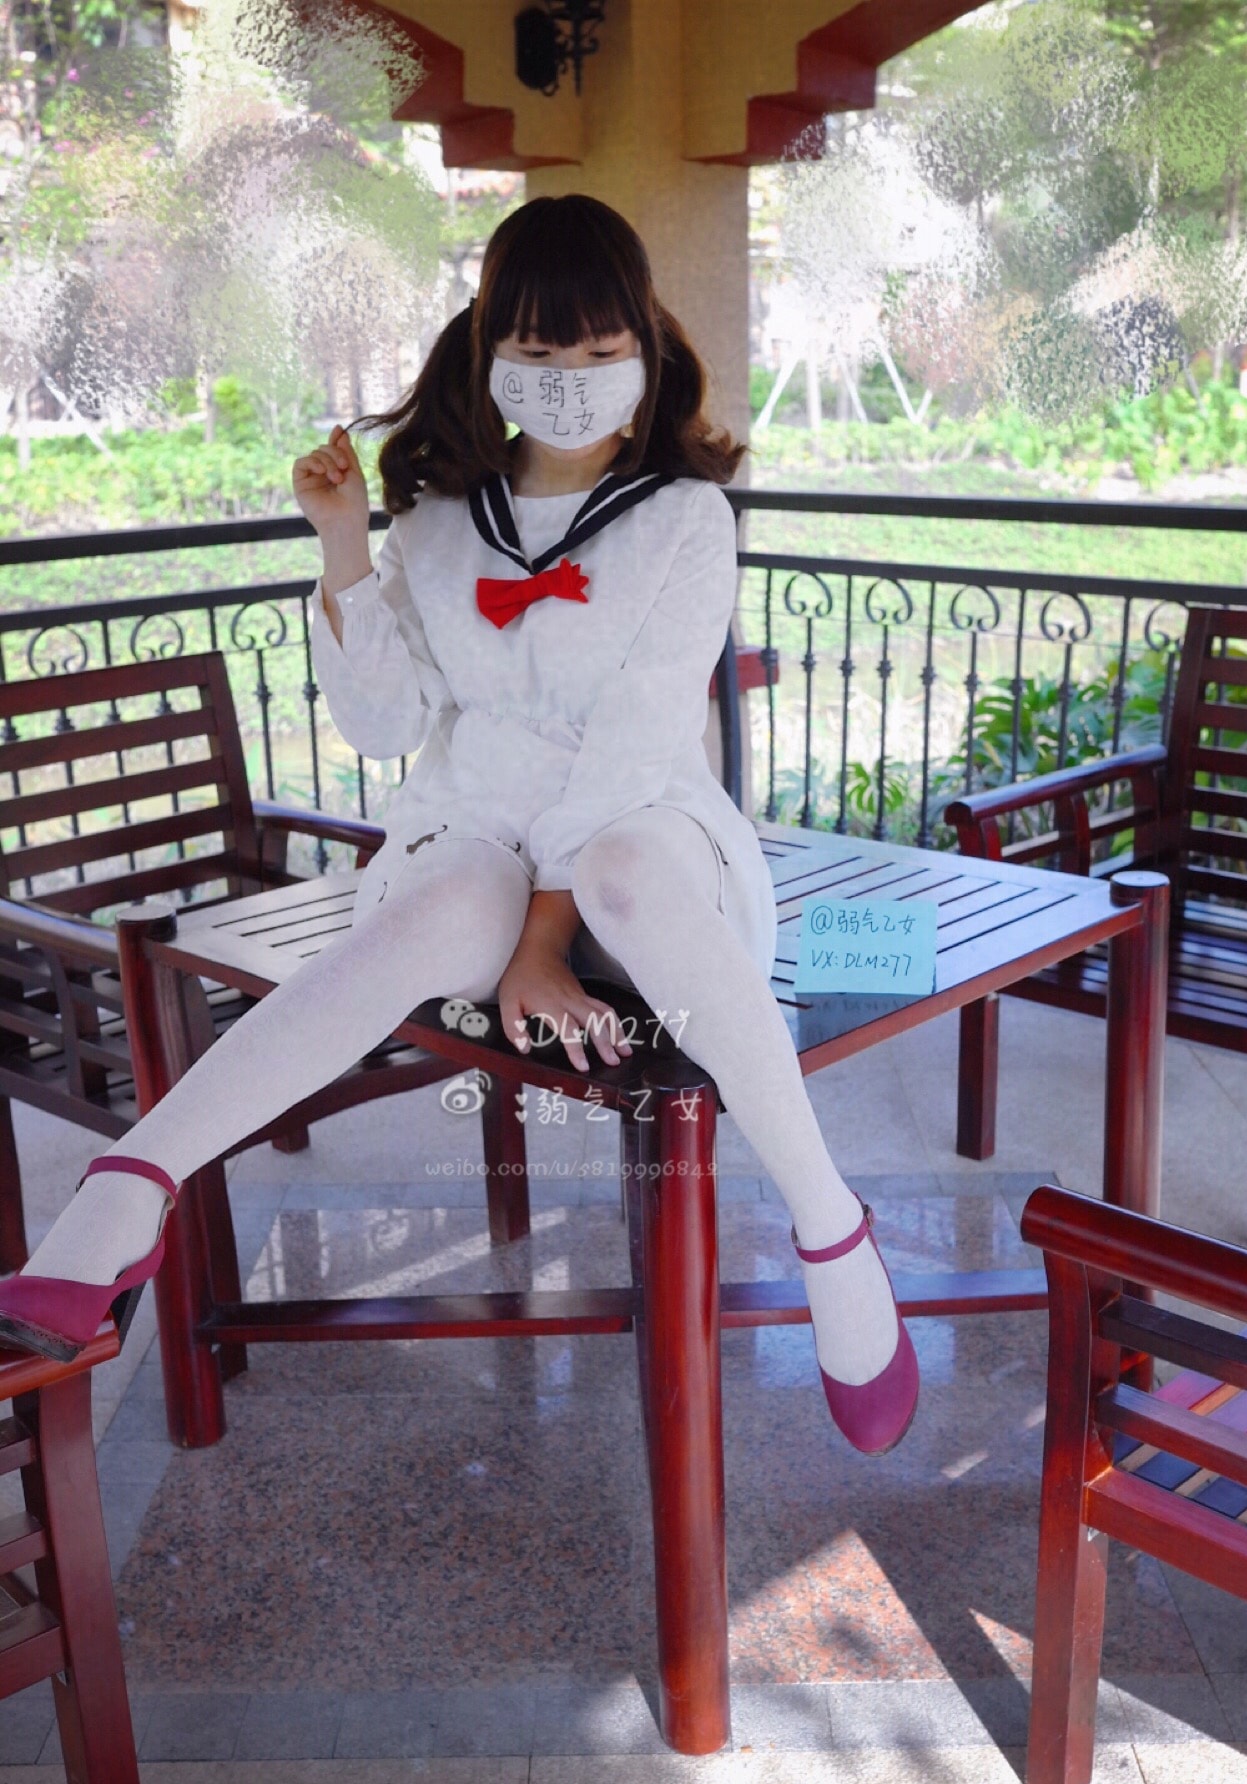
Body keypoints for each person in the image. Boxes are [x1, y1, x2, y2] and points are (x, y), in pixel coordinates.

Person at [0, 194, 918, 1454]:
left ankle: (829, 1225)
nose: (570, 379)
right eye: (538, 352)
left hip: (651, 843)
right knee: (453, 896)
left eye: (599, 351)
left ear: (645, 351)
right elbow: (382, 725)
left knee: (620, 868)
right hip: (473, 830)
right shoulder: (435, 524)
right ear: (490, 353)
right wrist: (342, 546)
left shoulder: (685, 519)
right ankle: (135, 1180)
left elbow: (635, 742)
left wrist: (544, 943)